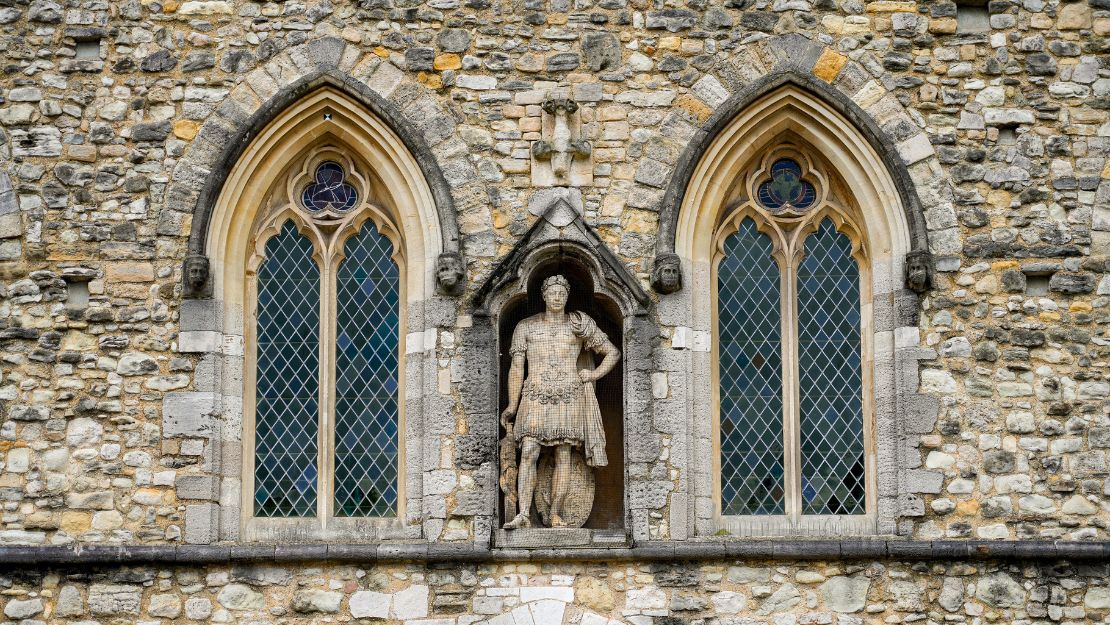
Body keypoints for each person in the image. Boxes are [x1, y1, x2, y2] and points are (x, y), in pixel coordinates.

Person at [501, 275, 620, 529]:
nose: (557, 298)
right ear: (543, 295)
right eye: (552, 293)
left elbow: (612, 352)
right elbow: (516, 368)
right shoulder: (526, 327)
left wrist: (593, 374)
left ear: (567, 296)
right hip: (534, 394)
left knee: (563, 454)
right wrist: (512, 404)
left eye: (561, 294)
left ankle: (555, 513)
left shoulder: (579, 325)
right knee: (529, 451)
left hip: (569, 396)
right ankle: (523, 514)